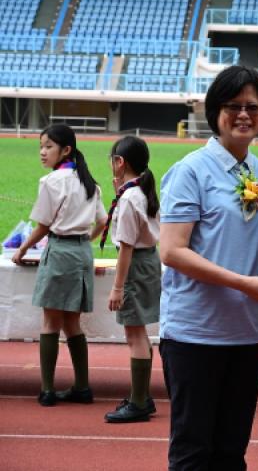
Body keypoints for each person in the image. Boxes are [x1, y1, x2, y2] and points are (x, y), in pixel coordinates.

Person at [158, 65, 258, 469]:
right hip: (195, 333)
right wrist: (241, 283)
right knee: (193, 451)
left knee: (232, 452)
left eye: (254, 106)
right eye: (234, 106)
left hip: (249, 333)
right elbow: (172, 251)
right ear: (215, 112)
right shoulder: (191, 171)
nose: (244, 114)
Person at [11, 123, 107, 406]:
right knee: (72, 323)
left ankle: (48, 390)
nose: (42, 152)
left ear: (65, 150)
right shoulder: (90, 183)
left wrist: (22, 249)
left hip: (60, 251)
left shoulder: (51, 181)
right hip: (81, 253)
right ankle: (82, 387)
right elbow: (103, 222)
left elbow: (42, 226)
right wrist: (84, 240)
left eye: (48, 146)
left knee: (51, 322)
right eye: (41, 147)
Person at [102, 136, 161, 423]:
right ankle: (142, 396)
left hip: (136, 265)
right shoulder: (140, 192)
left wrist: (117, 288)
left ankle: (138, 402)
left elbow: (126, 247)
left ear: (120, 162)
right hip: (148, 260)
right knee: (139, 332)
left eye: (111, 160)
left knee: (135, 334)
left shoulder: (129, 198)